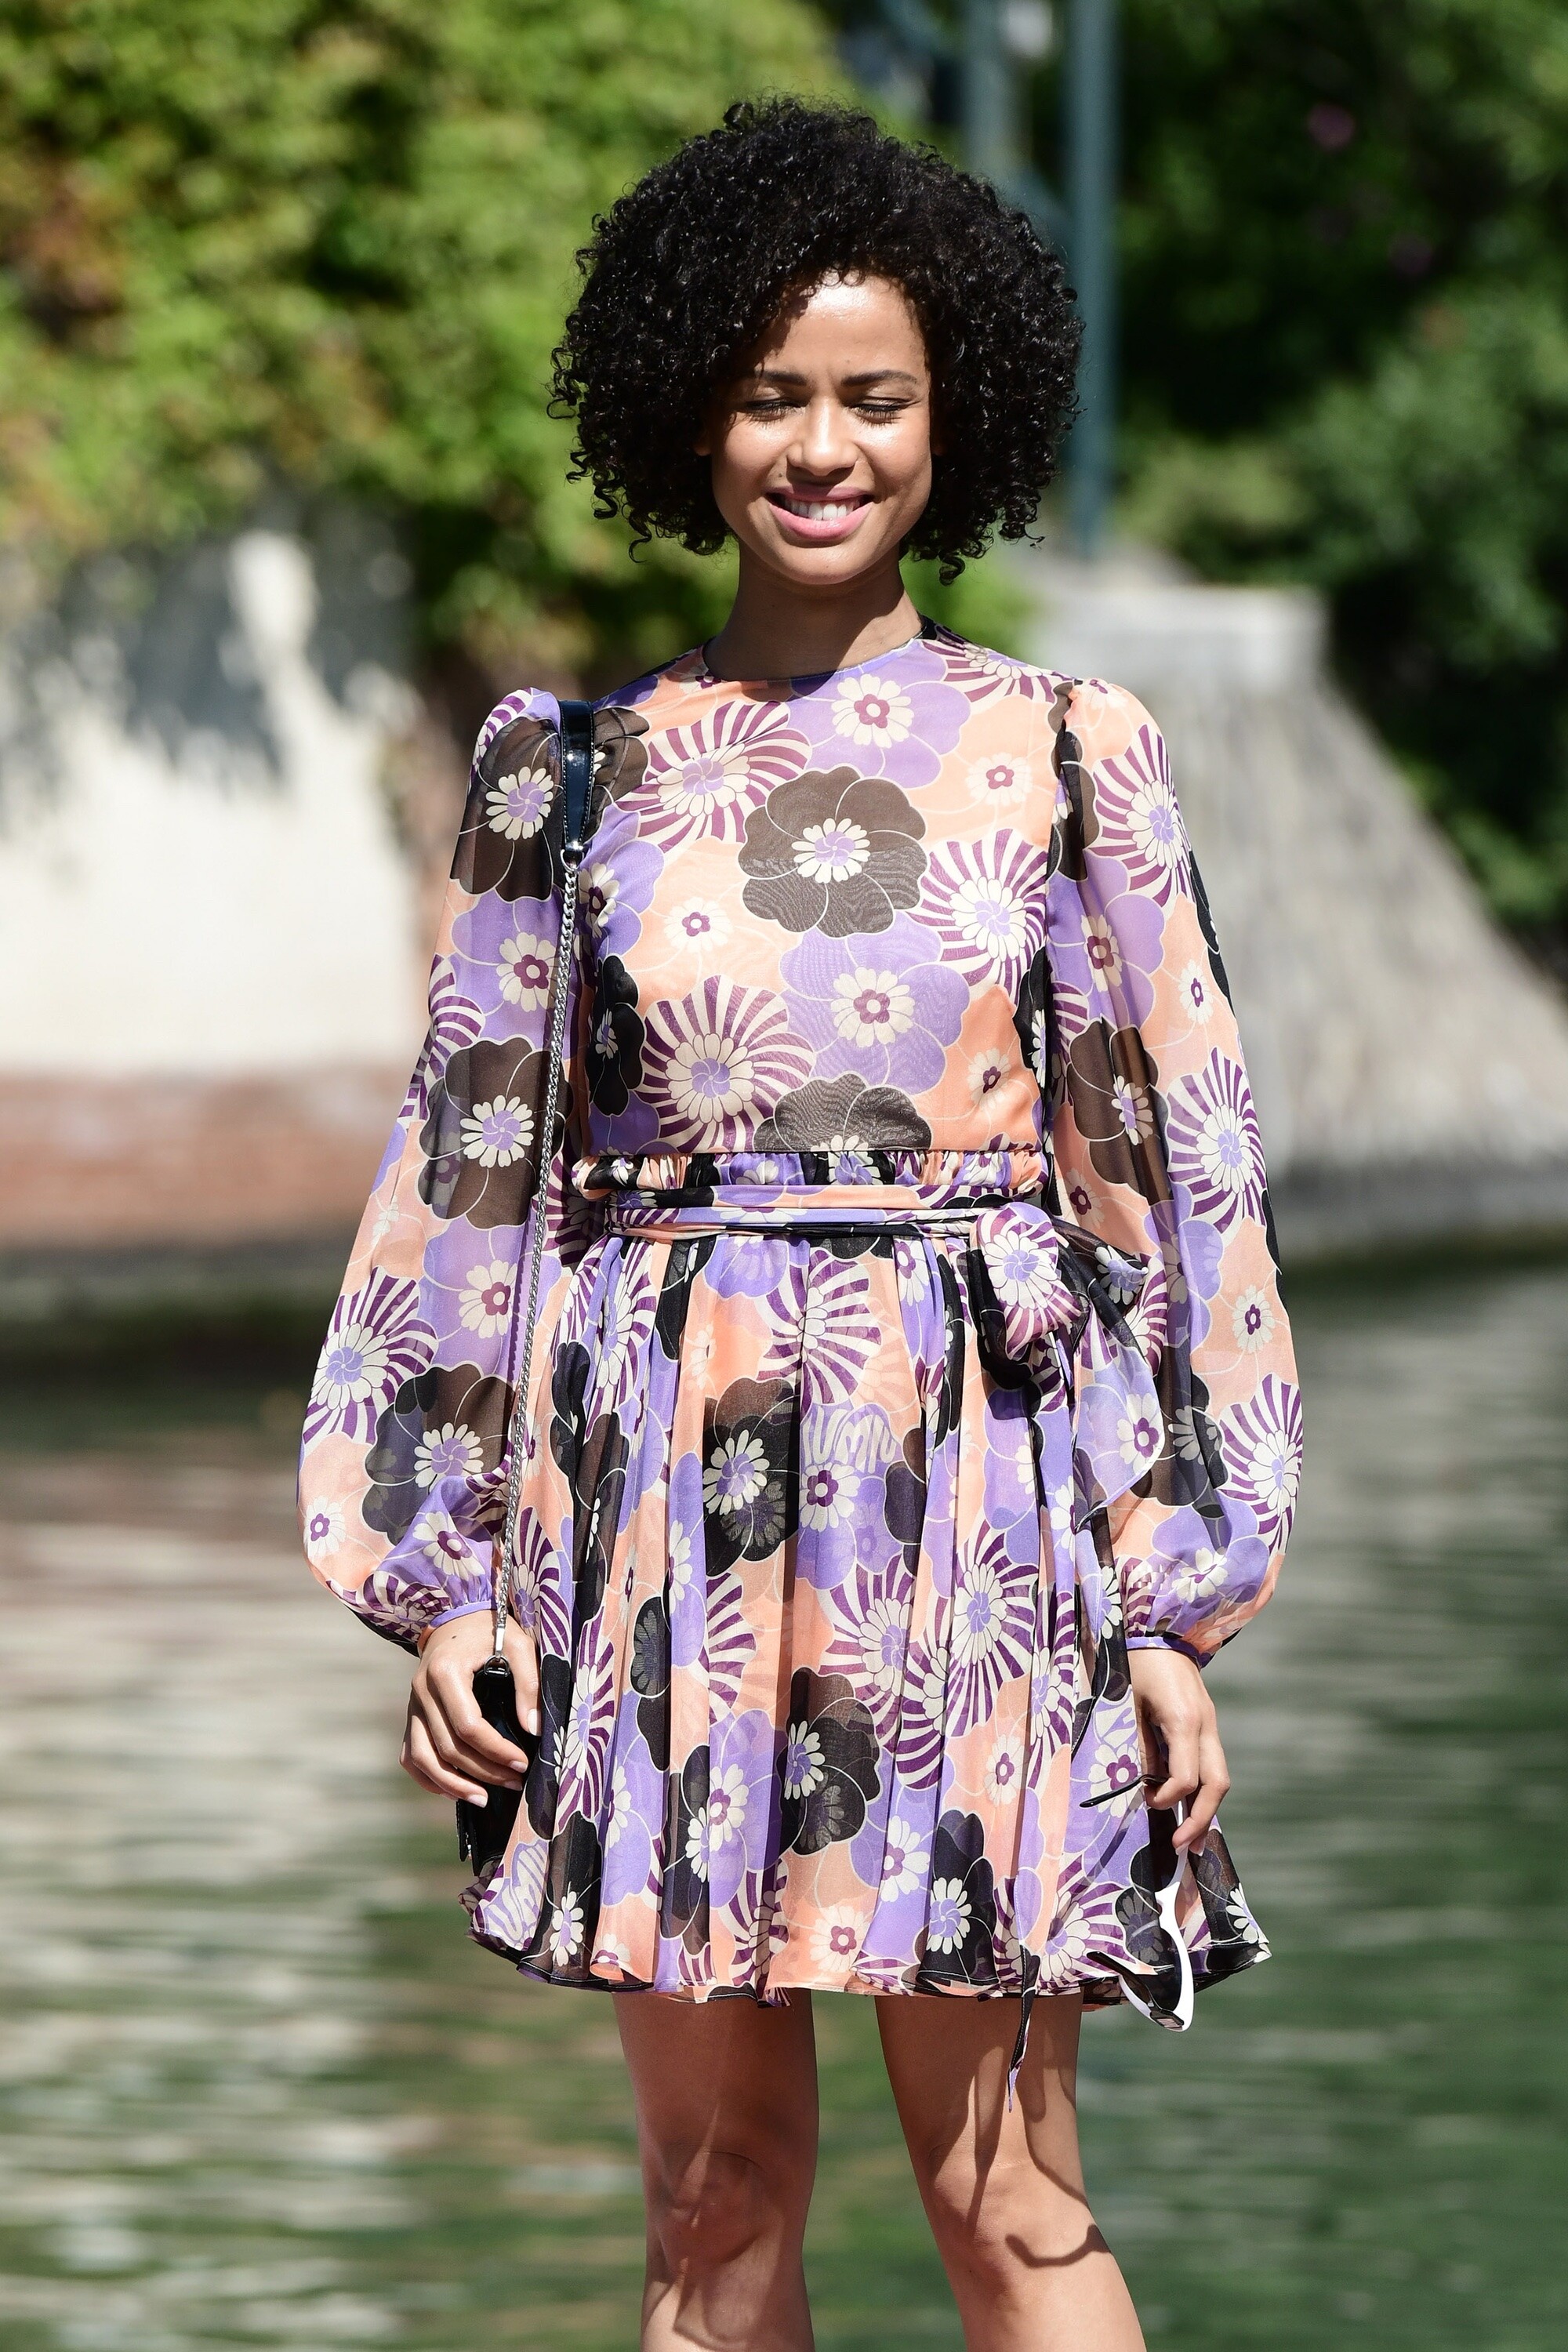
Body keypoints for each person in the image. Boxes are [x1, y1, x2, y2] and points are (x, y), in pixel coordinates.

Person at [299, 98, 1301, 2352]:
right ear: (694, 414)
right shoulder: (565, 770)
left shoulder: (1068, 751)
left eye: (875, 398)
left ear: (956, 421)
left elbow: (1174, 1179)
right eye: (774, 395)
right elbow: (473, 1176)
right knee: (714, 2201)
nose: (824, 448)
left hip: (987, 1520)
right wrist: (447, 1571)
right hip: (658, 1530)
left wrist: (1171, 1600)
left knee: (1007, 2199)